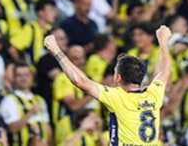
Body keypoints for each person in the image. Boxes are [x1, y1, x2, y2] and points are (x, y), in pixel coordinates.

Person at [43, 25, 172, 145]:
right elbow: (164, 71)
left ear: (118, 78)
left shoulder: (116, 97)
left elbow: (80, 81)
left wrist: (56, 50)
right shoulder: (154, 94)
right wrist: (163, 41)